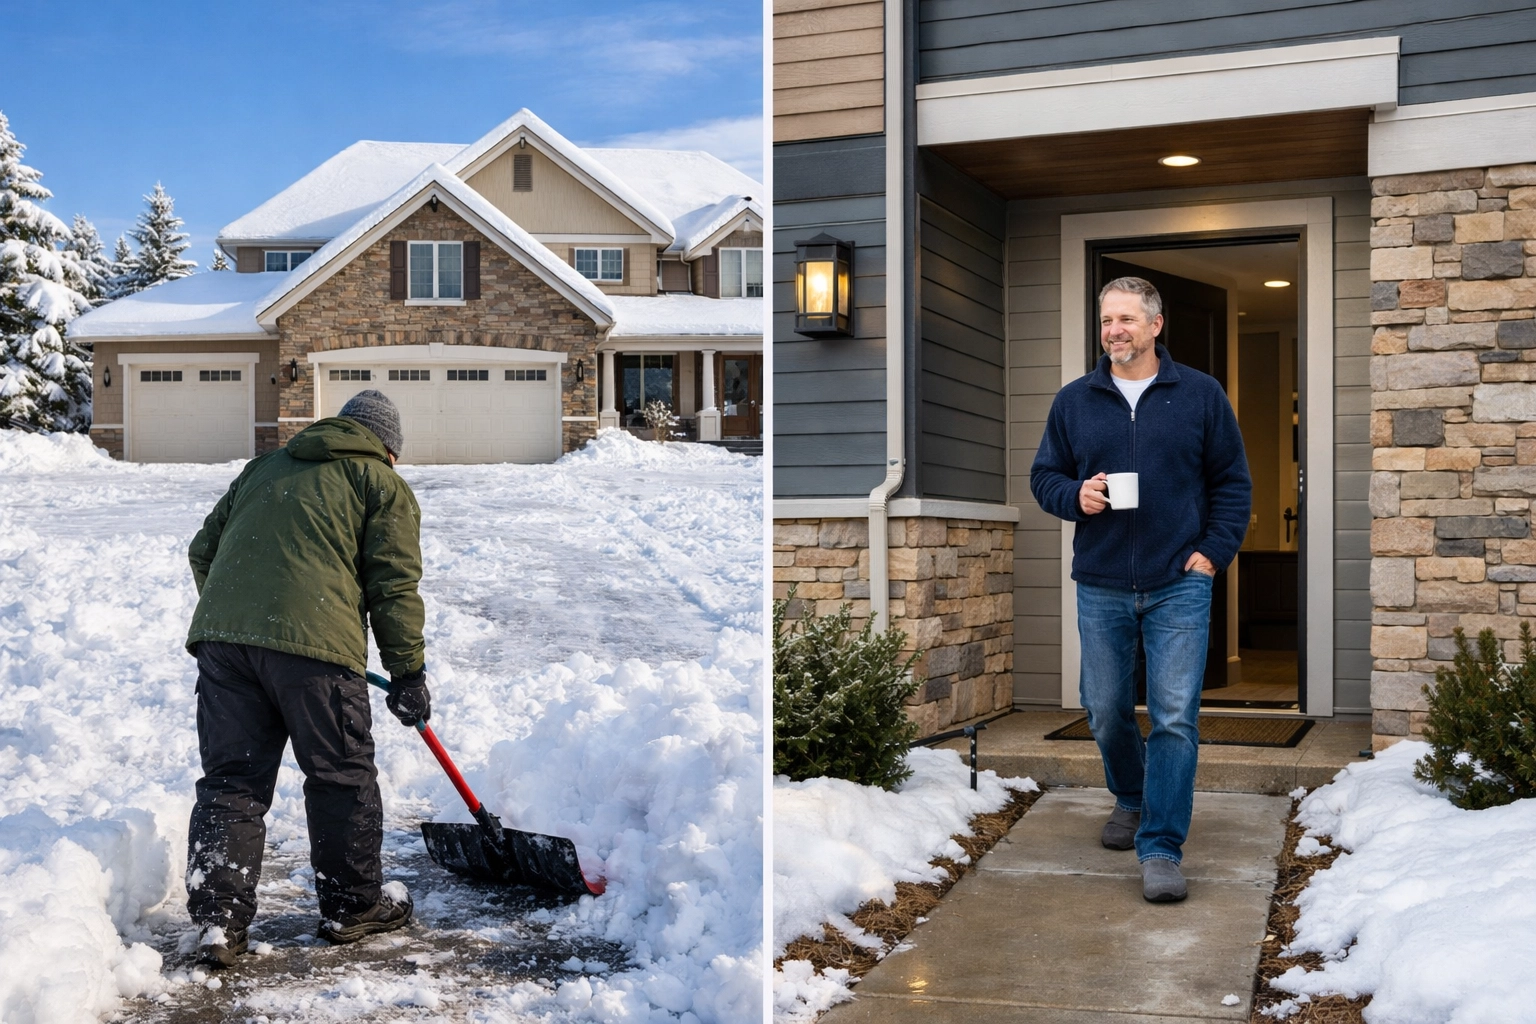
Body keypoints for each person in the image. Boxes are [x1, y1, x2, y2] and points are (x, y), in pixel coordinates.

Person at [183, 389, 434, 965]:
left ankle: (219, 925)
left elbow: (204, 551)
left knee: (231, 785)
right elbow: (392, 585)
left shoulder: (265, 466)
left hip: (224, 647)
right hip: (316, 655)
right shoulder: (380, 483)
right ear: (388, 449)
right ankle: (352, 908)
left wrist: (245, 622)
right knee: (340, 775)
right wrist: (409, 672)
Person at [1030, 276, 1250, 902]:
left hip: (1179, 580)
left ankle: (1160, 846)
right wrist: (1075, 495)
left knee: (1176, 717)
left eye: (1126, 319)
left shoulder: (1201, 395)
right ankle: (1130, 796)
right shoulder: (1075, 401)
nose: (1114, 331)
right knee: (1103, 709)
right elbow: (1044, 476)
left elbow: (1233, 483)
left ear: (1156, 325)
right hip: (1101, 582)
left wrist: (1212, 553)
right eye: (1106, 320)